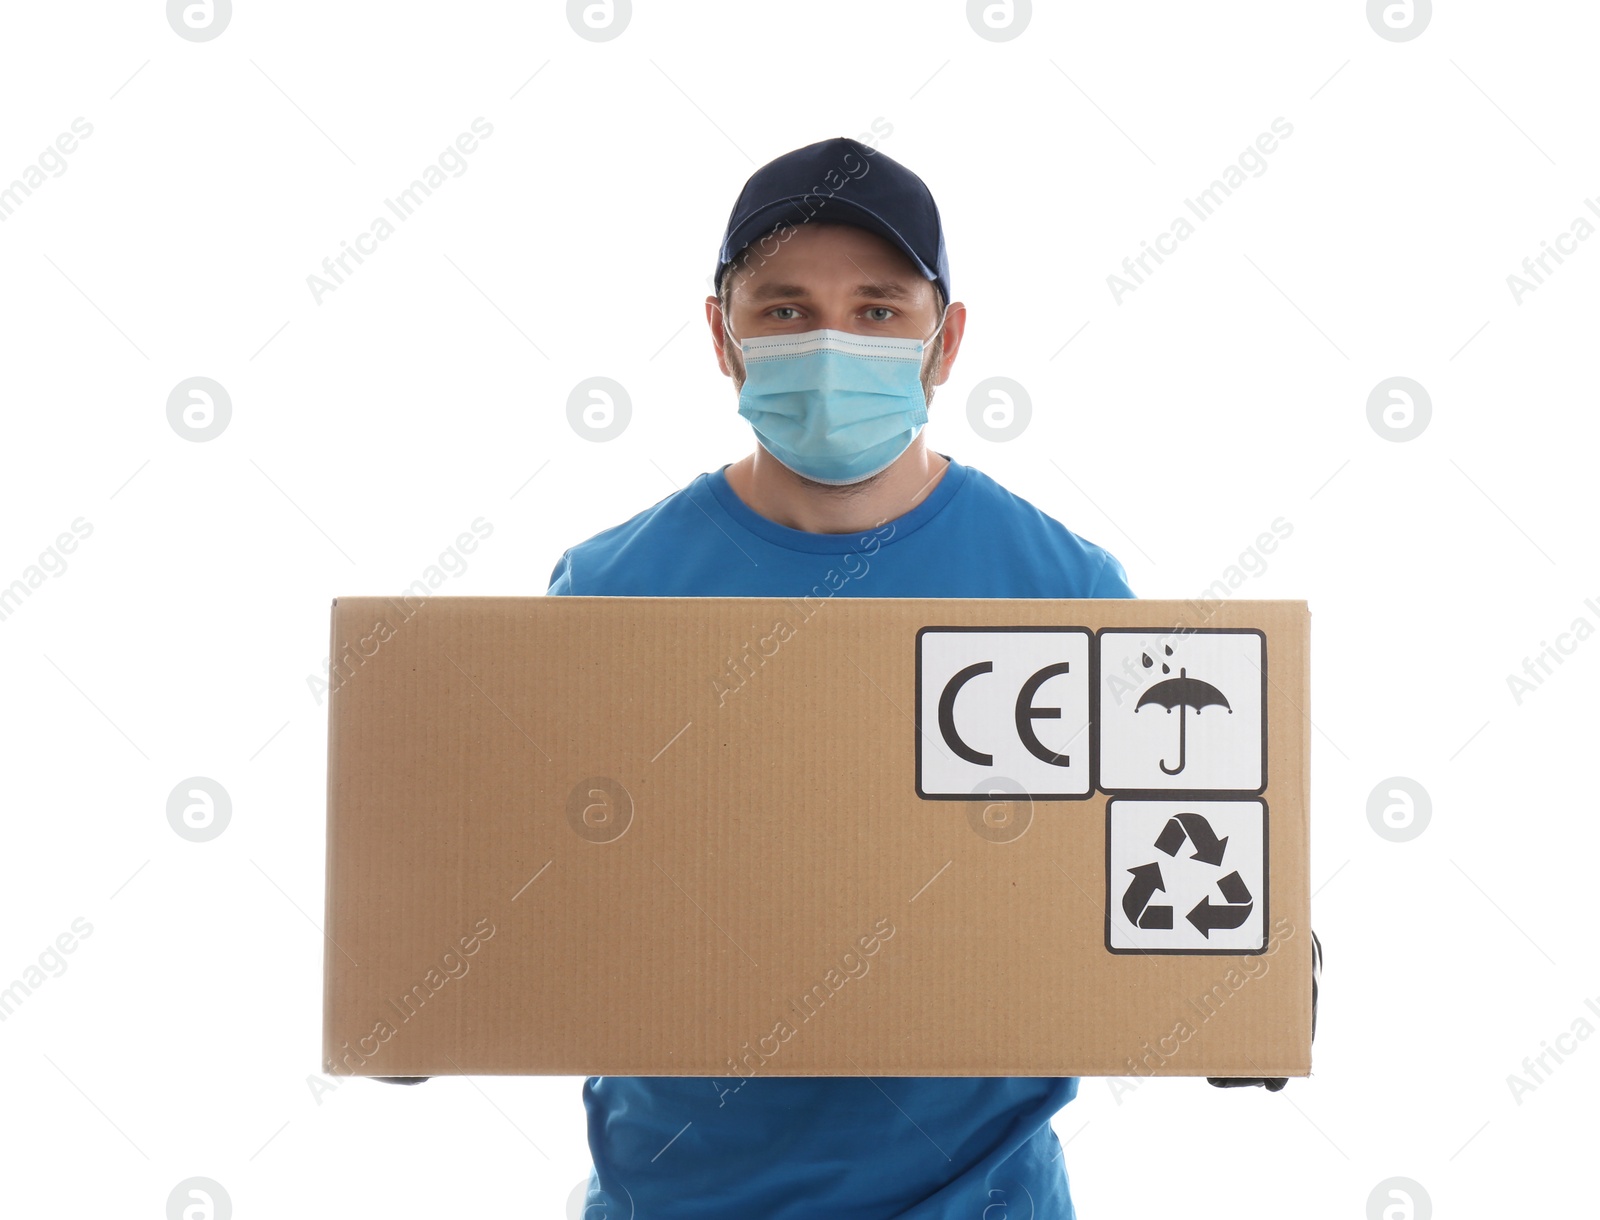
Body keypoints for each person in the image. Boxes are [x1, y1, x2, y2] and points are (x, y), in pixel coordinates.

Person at [381, 136, 1319, 1218]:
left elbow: (1151, 845)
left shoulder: (1060, 586)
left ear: (945, 338)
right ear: (721, 337)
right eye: (783, 309)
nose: (830, 342)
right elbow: (538, 877)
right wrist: (424, 969)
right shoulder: (611, 590)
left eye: (877, 310)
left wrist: (1248, 963)